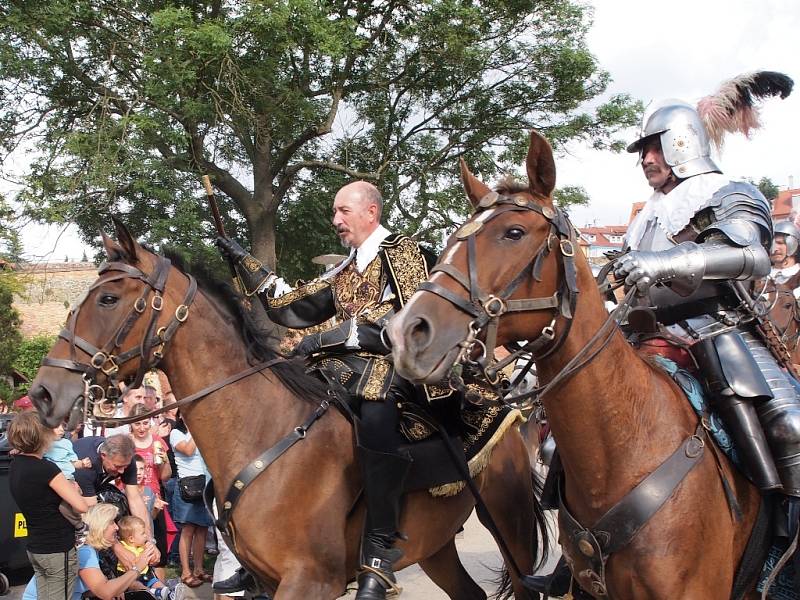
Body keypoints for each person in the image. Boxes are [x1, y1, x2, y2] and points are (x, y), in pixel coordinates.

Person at [216, 180, 445, 600]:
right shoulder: (345, 267)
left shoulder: (403, 251)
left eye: (343, 212)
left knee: (376, 417)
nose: (336, 221)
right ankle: (269, 548)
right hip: (340, 370)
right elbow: (293, 305)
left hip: (392, 367)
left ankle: (379, 549)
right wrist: (243, 260)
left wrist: (334, 336)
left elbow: (414, 318)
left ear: (370, 212)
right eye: (335, 213)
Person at [8, 411, 89, 600]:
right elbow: (81, 505)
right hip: (57, 547)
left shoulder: (16, 465)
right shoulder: (46, 468)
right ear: (42, 435)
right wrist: (74, 489)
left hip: (35, 546)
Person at [22, 503, 163, 600]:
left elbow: (87, 588)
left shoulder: (88, 548)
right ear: (99, 526)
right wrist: (138, 567)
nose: (116, 528)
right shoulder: (84, 550)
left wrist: (115, 589)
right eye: (111, 523)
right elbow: (105, 592)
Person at [72, 434, 161, 568]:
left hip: (96, 489)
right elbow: (92, 514)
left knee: (118, 503)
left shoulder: (125, 460)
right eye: (117, 466)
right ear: (103, 456)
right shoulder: (86, 466)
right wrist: (118, 549)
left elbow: (135, 499)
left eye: (125, 466)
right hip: (70, 495)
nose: (122, 471)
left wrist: (148, 541)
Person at [169, 418, 213, 588]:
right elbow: (187, 450)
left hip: (205, 483)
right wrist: (197, 427)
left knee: (202, 529)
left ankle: (199, 569)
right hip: (187, 486)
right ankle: (186, 571)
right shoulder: (176, 433)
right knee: (188, 530)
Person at [43, 423, 93, 534]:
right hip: (51, 481)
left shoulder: (66, 443)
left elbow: (73, 462)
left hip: (67, 480)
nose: (61, 429)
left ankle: (80, 526)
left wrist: (83, 464)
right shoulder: (42, 443)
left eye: (63, 426)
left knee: (64, 507)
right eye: (57, 426)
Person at [115, 516, 173, 600]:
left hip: (147, 575)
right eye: (142, 533)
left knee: (157, 583)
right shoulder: (124, 547)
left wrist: (152, 553)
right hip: (131, 578)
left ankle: (169, 594)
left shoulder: (142, 545)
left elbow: (151, 561)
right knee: (136, 586)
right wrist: (145, 554)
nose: (146, 536)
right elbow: (133, 562)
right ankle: (152, 593)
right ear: (131, 539)